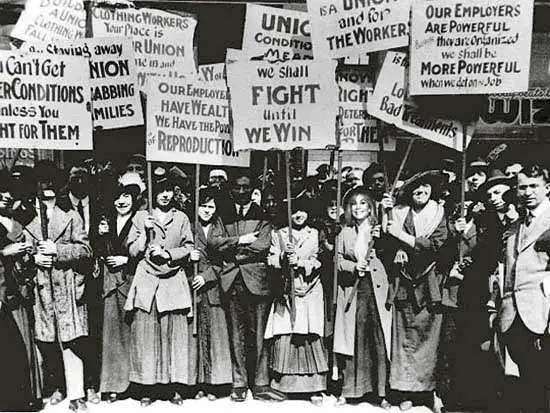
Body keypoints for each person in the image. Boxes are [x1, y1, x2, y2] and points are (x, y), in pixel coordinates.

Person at [124, 167, 196, 407]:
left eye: (168, 190)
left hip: (173, 279)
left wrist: (168, 253)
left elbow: (188, 247)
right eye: (160, 190)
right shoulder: (141, 217)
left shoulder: (182, 217)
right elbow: (132, 250)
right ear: (153, 192)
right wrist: (145, 233)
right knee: (147, 335)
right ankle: (148, 387)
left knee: (173, 334)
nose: (164, 195)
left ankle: (174, 386)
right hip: (147, 281)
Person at [210, 173, 285, 402]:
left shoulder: (262, 214)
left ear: (252, 190)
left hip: (257, 281)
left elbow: (262, 246)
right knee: (236, 334)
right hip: (233, 281)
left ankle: (260, 383)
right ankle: (239, 383)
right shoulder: (223, 214)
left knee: (259, 334)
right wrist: (240, 241)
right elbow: (214, 241)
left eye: (246, 187)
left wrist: (232, 251)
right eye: (237, 187)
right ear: (231, 189)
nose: (241, 192)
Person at [25, 160, 92, 412]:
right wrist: (33, 257)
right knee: (47, 342)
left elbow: (86, 251)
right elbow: (20, 253)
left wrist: (58, 250)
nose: (47, 186)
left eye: (50, 179)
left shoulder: (71, 215)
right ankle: (57, 387)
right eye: (42, 180)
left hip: (66, 289)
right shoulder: (28, 217)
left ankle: (76, 393)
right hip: (42, 290)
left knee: (71, 341)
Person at [386, 170, 448, 411]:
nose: (421, 192)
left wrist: (403, 237)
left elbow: (437, 245)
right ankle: (405, 391)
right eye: (415, 189)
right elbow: (386, 241)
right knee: (404, 339)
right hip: (404, 282)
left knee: (429, 341)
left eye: (425, 187)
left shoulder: (440, 214)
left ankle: (429, 391)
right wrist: (395, 249)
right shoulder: (400, 213)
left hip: (429, 283)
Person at [264, 186, 328, 404]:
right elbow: (270, 260)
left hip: (310, 290)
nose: (298, 215)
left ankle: (315, 387)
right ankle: (283, 385)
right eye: (294, 211)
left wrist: (301, 262)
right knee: (285, 335)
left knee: (309, 334)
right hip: (287, 292)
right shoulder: (278, 234)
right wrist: (283, 255)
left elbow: (320, 261)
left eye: (302, 210)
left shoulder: (315, 233)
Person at [498, 164, 550, 413]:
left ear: (547, 188)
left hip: (543, 313)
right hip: (514, 315)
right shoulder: (517, 225)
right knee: (528, 379)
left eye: (534, 186)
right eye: (523, 187)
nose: (528, 192)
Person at [333, 187, 391, 407]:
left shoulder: (379, 230)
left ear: (371, 207)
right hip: (353, 289)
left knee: (377, 338)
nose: (358, 207)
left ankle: (381, 393)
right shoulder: (344, 232)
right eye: (354, 203)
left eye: (363, 203)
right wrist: (354, 266)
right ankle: (350, 391)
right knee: (353, 339)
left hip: (376, 289)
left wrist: (382, 242)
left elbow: (392, 254)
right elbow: (338, 261)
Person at [57, 163, 102, 404]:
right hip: (69, 279)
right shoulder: (61, 207)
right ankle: (67, 387)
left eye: (84, 177)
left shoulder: (99, 204)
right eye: (75, 177)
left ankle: (92, 383)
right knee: (71, 334)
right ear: (69, 181)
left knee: (92, 332)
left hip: (95, 279)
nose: (80, 181)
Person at [97, 172, 144, 402]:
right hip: (111, 284)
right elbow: (96, 251)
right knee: (112, 337)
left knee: (134, 334)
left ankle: (136, 384)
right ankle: (114, 384)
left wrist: (127, 260)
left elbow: (147, 250)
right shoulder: (106, 221)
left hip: (133, 281)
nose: (122, 201)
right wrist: (100, 236)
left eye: (126, 196)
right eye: (118, 197)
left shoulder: (141, 221)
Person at [0, 168, 37, 411]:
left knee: (16, 351)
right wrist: (4, 253)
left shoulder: (15, 223)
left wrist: (26, 254)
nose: (3, 194)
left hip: (15, 294)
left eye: (6, 190)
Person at [190, 187, 232, 400]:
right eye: (203, 206)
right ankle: (197, 383)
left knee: (215, 335)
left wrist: (205, 276)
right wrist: (190, 258)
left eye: (211, 207)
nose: (206, 210)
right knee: (195, 336)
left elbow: (224, 261)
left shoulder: (220, 228)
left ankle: (215, 383)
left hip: (213, 288)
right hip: (192, 289)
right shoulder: (190, 227)